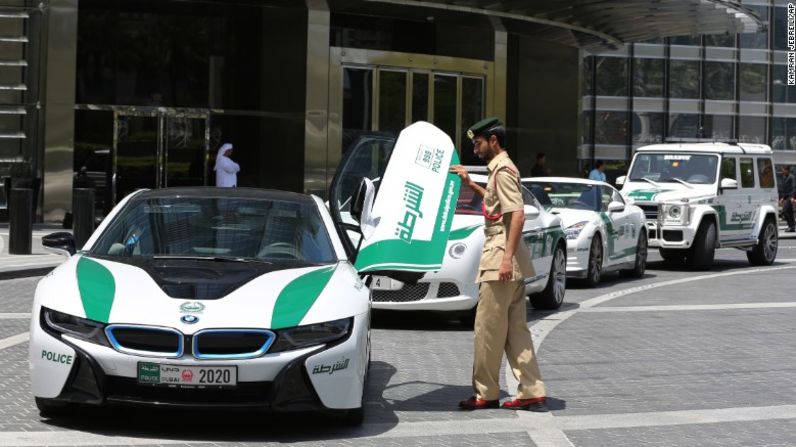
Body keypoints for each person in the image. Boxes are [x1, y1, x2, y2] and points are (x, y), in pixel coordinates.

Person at [450, 117, 547, 412]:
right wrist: (471, 184)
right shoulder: (500, 170)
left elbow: (516, 215)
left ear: (493, 140)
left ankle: (486, 393)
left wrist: (504, 259)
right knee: (516, 330)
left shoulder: (502, 170)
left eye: (478, 143)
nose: (475, 149)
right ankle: (531, 389)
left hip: (500, 256)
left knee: (487, 329)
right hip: (510, 258)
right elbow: (498, 205)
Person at [781, 165, 795, 232]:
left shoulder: (792, 177)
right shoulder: (784, 177)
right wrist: (783, 198)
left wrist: (792, 197)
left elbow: (793, 187)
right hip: (787, 197)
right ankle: (792, 227)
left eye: (783, 169)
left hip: (790, 197)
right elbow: (785, 189)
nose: (782, 171)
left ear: (787, 170)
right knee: (790, 212)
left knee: (784, 211)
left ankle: (791, 226)